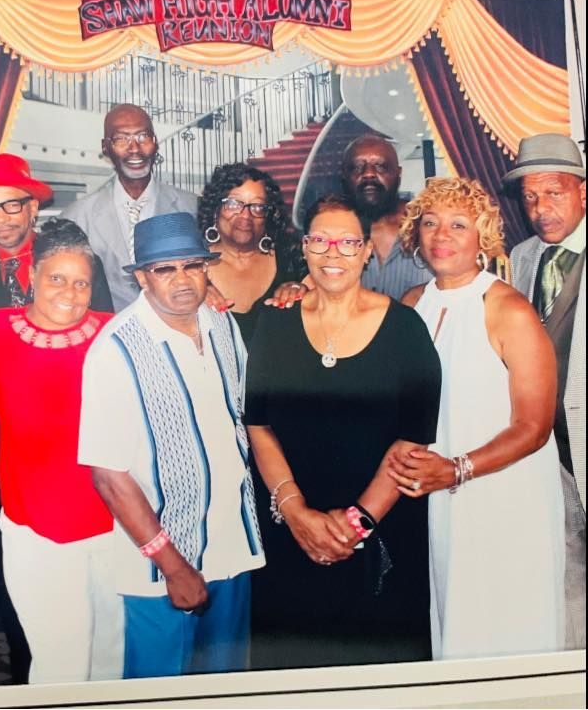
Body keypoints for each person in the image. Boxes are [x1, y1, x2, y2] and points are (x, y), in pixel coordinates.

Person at [244, 195, 441, 669]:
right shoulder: (274, 321)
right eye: (321, 240)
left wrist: (356, 525)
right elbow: (259, 424)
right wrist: (296, 515)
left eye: (348, 242)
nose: (334, 253)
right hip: (289, 534)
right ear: (305, 247)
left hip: (382, 535)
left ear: (368, 250)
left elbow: (412, 440)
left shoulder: (405, 328)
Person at [78, 212, 264, 679]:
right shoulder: (115, 350)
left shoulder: (222, 325)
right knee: (160, 692)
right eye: (165, 269)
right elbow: (109, 475)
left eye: (192, 266)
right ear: (142, 277)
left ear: (207, 269)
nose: (182, 281)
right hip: (163, 571)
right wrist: (173, 565)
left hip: (233, 549)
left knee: (225, 687)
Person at [394, 176, 564, 659]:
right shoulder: (411, 304)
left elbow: (534, 426)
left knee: (508, 626)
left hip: (505, 493)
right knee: (455, 624)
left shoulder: (506, 307)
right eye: (430, 223)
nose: (441, 236)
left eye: (458, 225)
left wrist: (457, 469)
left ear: (483, 237)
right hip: (438, 494)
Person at [0, 218, 122, 684]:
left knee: (112, 658)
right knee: (62, 664)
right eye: (57, 278)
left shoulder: (115, 332)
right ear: (31, 276)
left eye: (82, 283)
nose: (70, 292)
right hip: (36, 529)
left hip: (114, 525)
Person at [504, 132, 586, 650]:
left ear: (583, 192)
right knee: (567, 582)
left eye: (554, 192)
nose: (540, 208)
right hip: (551, 455)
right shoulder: (523, 256)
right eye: (531, 197)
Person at [63, 104, 197, 310]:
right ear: (105, 147)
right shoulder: (77, 217)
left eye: (143, 136)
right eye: (121, 139)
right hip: (107, 332)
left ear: (155, 142)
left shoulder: (192, 208)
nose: (134, 148)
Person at [0, 154, 113, 313]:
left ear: (32, 208)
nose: (1, 219)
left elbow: (103, 326)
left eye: (12, 205)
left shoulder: (78, 261)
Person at [198, 162, 306, 342]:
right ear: (215, 210)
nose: (245, 215)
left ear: (268, 216)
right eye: (233, 204)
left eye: (257, 207)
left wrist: (304, 291)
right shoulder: (191, 268)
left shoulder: (292, 261)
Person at [341, 134, 433, 300]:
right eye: (357, 167)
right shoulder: (332, 234)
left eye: (381, 166)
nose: (368, 174)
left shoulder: (428, 225)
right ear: (344, 176)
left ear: (398, 174)